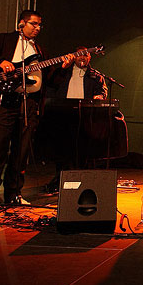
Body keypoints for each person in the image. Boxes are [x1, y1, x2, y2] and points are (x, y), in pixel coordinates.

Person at [0, 10, 51, 212]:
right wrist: (0, 62)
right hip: (5, 100)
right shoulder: (4, 40)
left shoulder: (38, 49)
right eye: (34, 24)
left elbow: (49, 79)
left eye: (40, 25)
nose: (37, 28)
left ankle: (14, 194)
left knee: (21, 150)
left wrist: (64, 65)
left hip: (28, 103)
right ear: (21, 24)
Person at [40, 47, 108, 193]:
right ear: (74, 58)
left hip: (84, 116)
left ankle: (84, 180)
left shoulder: (95, 76)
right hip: (63, 115)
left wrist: (99, 97)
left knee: (84, 149)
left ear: (90, 58)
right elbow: (51, 83)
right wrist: (63, 68)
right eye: (79, 56)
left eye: (85, 56)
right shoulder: (63, 73)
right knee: (63, 149)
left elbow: (102, 91)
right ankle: (60, 179)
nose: (82, 58)